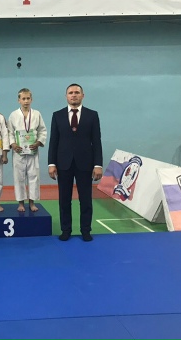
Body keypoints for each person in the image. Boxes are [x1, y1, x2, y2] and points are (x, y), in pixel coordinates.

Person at [48, 83, 103, 242]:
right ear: (66, 96)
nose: (74, 95)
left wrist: (98, 165)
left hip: (85, 163)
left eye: (77, 92)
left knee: (85, 199)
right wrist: (51, 163)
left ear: (82, 95)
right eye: (71, 93)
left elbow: (96, 141)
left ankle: (85, 230)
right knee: (64, 200)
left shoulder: (92, 115)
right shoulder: (57, 115)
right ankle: (66, 230)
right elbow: (53, 141)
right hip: (63, 163)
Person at [7, 88, 47, 213]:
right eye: (23, 99)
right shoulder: (13, 115)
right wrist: (13, 144)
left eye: (28, 98)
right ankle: (20, 203)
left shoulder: (37, 114)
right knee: (19, 176)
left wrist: (38, 142)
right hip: (18, 151)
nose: (26, 101)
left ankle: (32, 202)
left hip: (32, 150)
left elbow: (42, 130)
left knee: (33, 176)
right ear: (18, 100)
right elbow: (9, 132)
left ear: (31, 99)